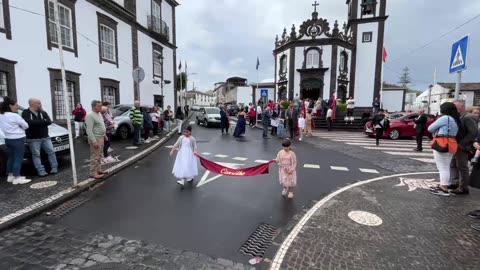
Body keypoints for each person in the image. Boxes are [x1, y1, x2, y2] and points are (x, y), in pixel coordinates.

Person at [428, 102, 460, 196]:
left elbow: (430, 128)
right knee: (446, 166)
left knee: (442, 167)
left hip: (442, 143)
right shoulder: (455, 119)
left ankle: (443, 187)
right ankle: (443, 185)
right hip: (452, 143)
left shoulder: (445, 118)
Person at [21, 98, 58, 177]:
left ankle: (54, 167)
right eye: (38, 103)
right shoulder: (25, 113)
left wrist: (38, 123)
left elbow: (48, 121)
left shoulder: (42, 112)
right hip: (33, 139)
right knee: (36, 155)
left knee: (51, 152)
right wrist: (42, 122)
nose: (40, 105)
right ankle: (41, 170)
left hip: (45, 137)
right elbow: (28, 122)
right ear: (32, 104)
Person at [449, 100, 478, 195]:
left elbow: (473, 133)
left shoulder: (468, 117)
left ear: (462, 107)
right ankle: (455, 182)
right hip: (456, 145)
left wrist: (462, 143)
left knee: (462, 167)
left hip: (462, 146)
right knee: (453, 164)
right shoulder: (460, 116)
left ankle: (463, 187)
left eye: (455, 107)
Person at [0, 97, 31, 185]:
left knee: (11, 157)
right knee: (18, 158)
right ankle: (17, 177)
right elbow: (26, 126)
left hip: (8, 139)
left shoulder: (1, 115)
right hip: (17, 139)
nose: (17, 107)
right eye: (16, 105)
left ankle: (10, 176)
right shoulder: (14, 115)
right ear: (10, 105)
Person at [85, 100, 107, 179]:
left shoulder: (99, 114)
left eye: (101, 106)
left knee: (100, 155)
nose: (101, 107)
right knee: (95, 156)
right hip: (96, 138)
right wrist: (94, 141)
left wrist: (104, 135)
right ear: (93, 107)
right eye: (99, 106)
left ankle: (98, 169)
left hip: (101, 137)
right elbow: (89, 130)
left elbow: (100, 125)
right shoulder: (90, 115)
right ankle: (93, 173)